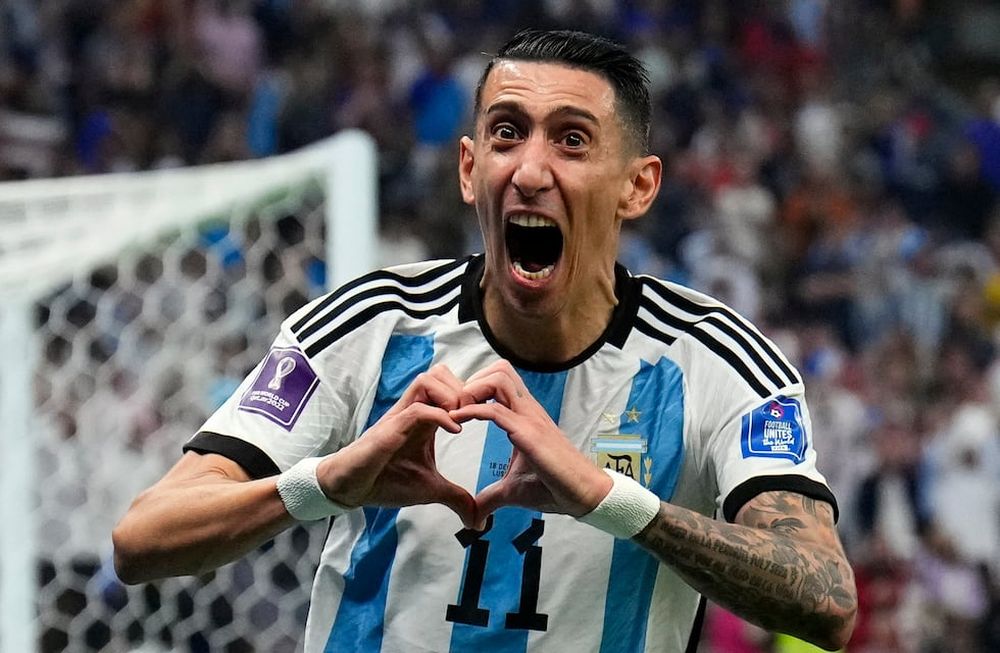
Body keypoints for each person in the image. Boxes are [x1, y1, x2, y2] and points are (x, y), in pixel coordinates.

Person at [113, 29, 857, 652]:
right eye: (506, 133)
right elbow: (142, 537)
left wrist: (610, 498)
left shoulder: (717, 362)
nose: (530, 170)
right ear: (470, 169)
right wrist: (328, 481)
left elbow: (826, 596)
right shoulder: (371, 326)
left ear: (639, 185)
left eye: (572, 139)